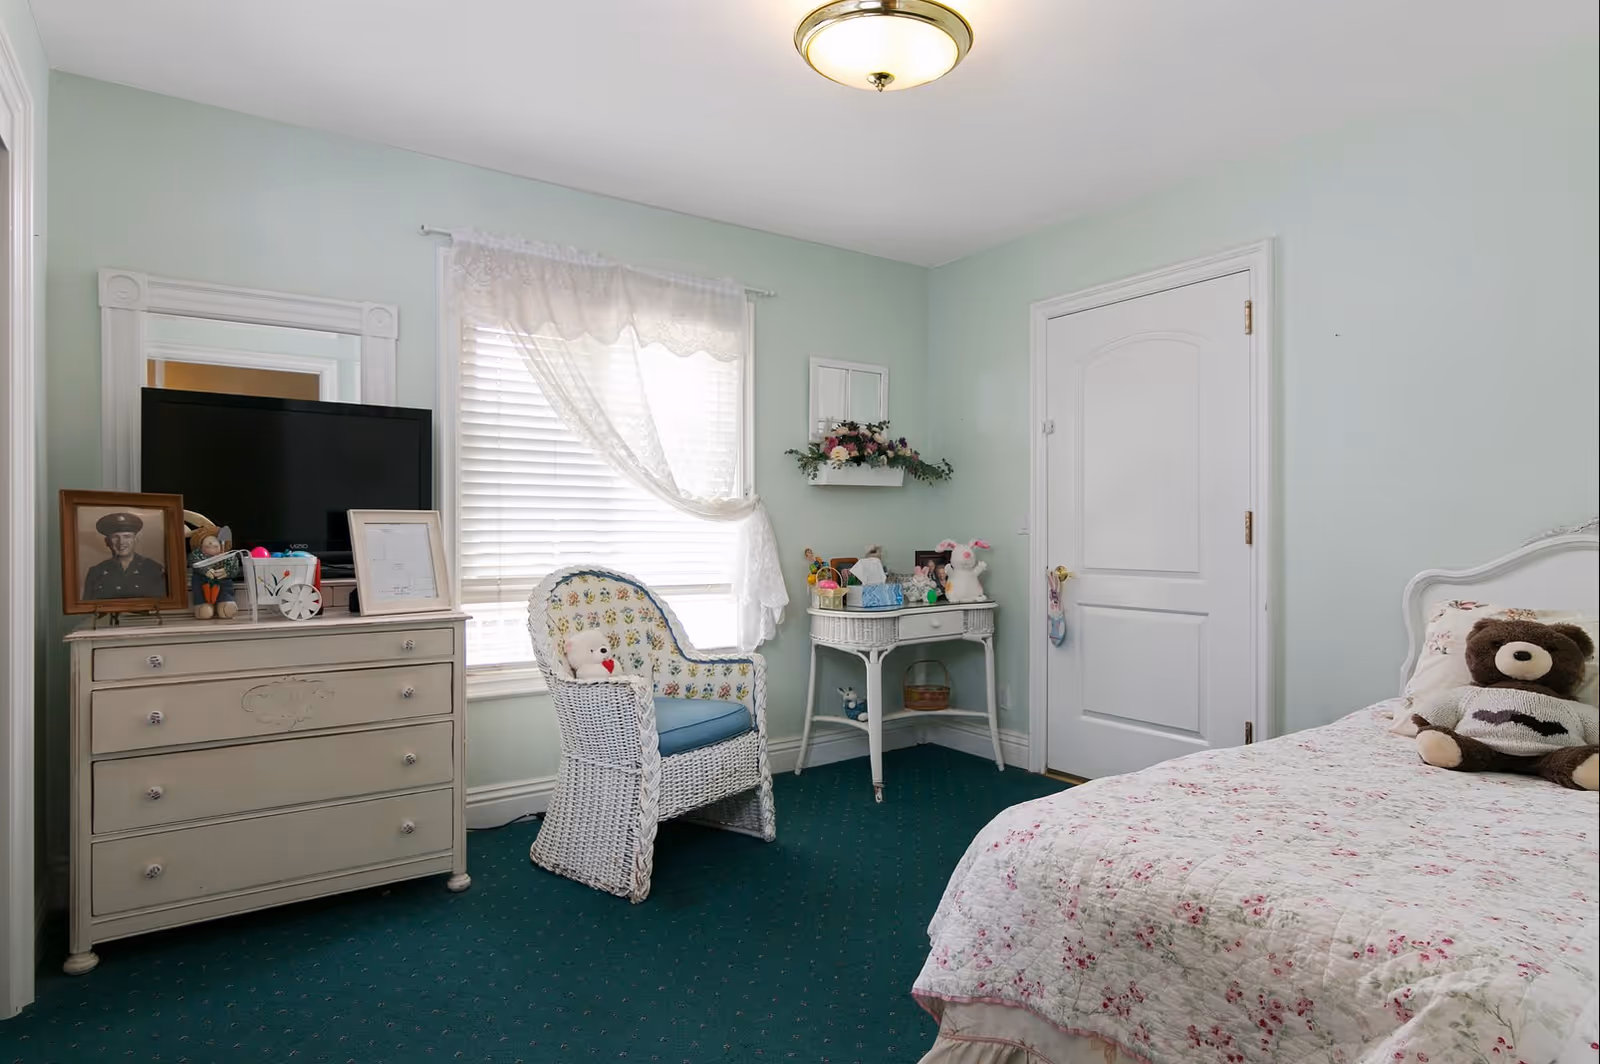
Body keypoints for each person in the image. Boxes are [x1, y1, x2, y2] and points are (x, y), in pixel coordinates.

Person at [82, 511, 168, 601]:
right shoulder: (96, 572)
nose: (121, 542)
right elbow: (88, 609)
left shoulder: (154, 569)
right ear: (107, 541)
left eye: (127, 536)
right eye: (115, 537)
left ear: (136, 539)